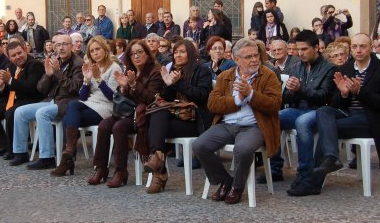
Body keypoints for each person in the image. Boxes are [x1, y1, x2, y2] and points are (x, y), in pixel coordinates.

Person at [193, 38, 282, 204]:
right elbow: (212, 104)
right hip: (227, 125)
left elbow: (275, 104)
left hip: (254, 126)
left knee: (242, 149)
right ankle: (226, 181)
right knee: (199, 146)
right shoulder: (225, 76)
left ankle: (238, 186)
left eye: (256, 55)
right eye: (248, 57)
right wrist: (236, 100)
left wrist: (251, 94)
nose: (255, 59)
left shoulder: (268, 75)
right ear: (236, 59)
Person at [314, 34, 380, 188]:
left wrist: (360, 92)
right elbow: (335, 103)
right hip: (349, 115)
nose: (358, 50)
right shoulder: (345, 68)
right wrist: (343, 93)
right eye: (354, 47)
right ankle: (330, 157)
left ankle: (313, 181)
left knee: (326, 128)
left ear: (371, 48)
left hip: (373, 118)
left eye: (362, 46)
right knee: (323, 111)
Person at [267, 31, 336, 196]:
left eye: (304, 49)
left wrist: (300, 89)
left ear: (317, 48)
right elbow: (286, 98)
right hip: (298, 109)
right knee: (272, 118)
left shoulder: (329, 68)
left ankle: (305, 176)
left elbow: (324, 97)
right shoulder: (296, 67)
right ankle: (275, 168)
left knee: (302, 123)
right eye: (298, 50)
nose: (300, 53)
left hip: (318, 111)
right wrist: (291, 90)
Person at [88, 39, 164, 187]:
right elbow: (119, 95)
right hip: (125, 111)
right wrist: (123, 88)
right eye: (132, 54)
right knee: (104, 125)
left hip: (144, 115)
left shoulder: (155, 71)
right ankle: (101, 168)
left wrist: (133, 85)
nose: (136, 56)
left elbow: (150, 99)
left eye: (139, 52)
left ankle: (121, 171)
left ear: (147, 54)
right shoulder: (129, 70)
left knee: (119, 127)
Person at [143, 39, 213, 193]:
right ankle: (158, 162)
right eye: (175, 52)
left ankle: (159, 173)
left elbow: (201, 96)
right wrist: (168, 84)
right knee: (159, 114)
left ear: (191, 53)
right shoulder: (174, 70)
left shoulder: (202, 70)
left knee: (156, 128)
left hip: (195, 121)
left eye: (182, 51)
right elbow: (166, 100)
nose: (177, 55)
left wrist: (179, 82)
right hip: (177, 117)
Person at [51, 36, 120, 177]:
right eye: (92, 51)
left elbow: (112, 97)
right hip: (90, 104)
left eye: (98, 49)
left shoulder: (114, 67)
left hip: (106, 108)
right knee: (72, 108)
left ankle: (68, 156)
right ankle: (69, 154)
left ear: (105, 50)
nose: (95, 53)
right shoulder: (90, 65)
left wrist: (99, 79)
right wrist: (87, 81)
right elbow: (83, 97)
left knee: (69, 114)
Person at [11, 34, 84, 167]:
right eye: (57, 45)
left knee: (42, 113)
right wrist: (48, 75)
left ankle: (47, 157)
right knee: (20, 112)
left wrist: (57, 73)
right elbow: (40, 89)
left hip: (68, 103)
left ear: (72, 46)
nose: (60, 48)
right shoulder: (56, 61)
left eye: (64, 45)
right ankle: (20, 153)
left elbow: (75, 89)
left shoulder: (78, 64)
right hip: (52, 100)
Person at [0, 41, 45, 159]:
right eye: (13, 56)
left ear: (25, 50)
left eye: (19, 53)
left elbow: (30, 88)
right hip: (13, 100)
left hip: (31, 100)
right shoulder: (10, 67)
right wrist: (1, 85)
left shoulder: (35, 64)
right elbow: (7, 91)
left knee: (11, 112)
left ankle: (14, 151)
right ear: (9, 57)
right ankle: (2, 146)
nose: (18, 57)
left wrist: (10, 80)